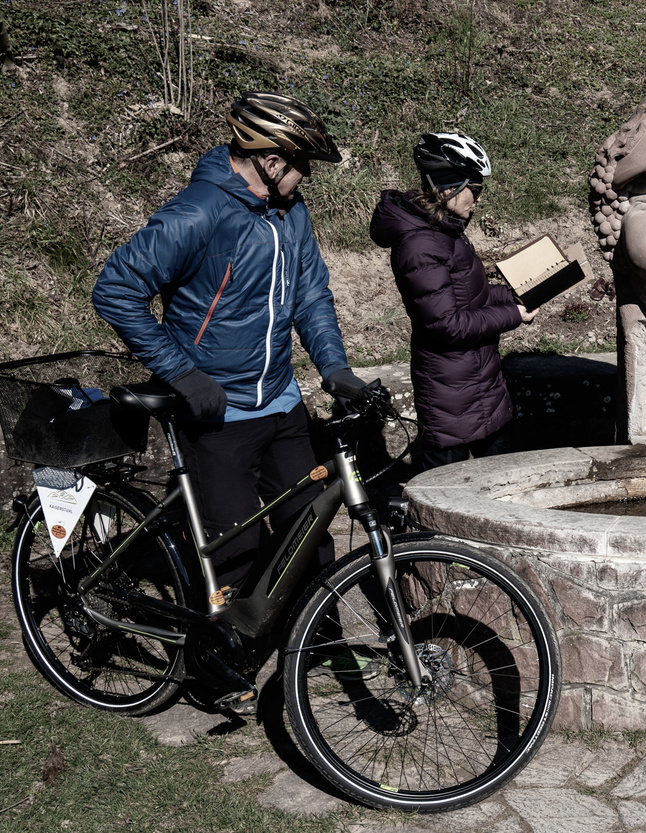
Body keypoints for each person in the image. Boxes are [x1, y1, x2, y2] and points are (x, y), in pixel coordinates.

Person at [92, 91, 369, 592]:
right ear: (271, 162)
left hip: (282, 403)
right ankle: (220, 644)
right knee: (236, 558)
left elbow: (310, 295)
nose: (307, 175)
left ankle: (309, 637)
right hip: (218, 415)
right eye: (302, 164)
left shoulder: (290, 212)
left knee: (309, 537)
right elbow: (116, 290)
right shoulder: (199, 212)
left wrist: (334, 367)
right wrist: (182, 373)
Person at [370, 132, 535, 471]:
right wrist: (513, 314)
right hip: (449, 397)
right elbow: (447, 324)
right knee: (444, 492)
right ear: (447, 189)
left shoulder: (447, 232)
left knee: (506, 486)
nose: (479, 199)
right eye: (474, 189)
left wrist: (515, 295)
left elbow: (471, 296)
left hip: (482, 384)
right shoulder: (419, 245)